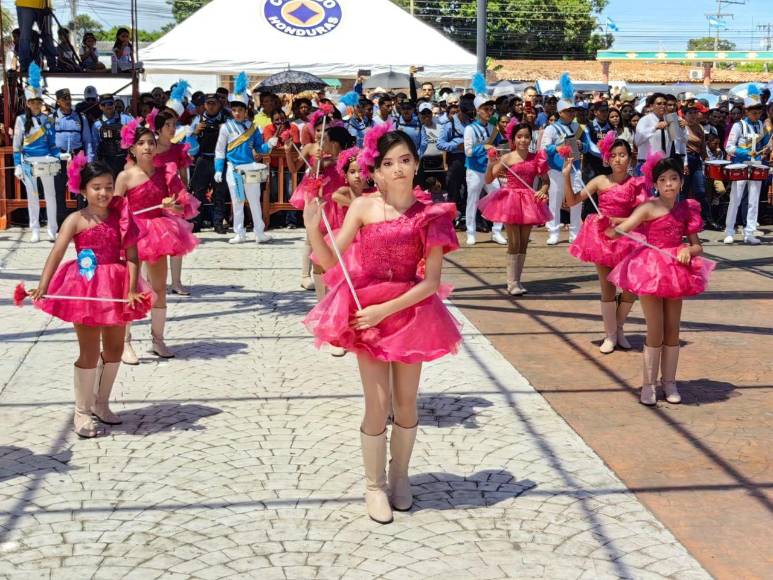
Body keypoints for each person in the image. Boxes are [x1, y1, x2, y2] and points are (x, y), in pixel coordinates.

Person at [303, 129, 461, 524]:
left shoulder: (431, 214)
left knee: (407, 403)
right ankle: (374, 486)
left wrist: (384, 310)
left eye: (405, 160)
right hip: (364, 310)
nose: (398, 169)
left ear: (415, 163)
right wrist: (311, 229)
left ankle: (400, 477)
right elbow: (330, 263)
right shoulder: (362, 208)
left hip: (411, 312)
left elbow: (430, 282)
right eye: (389, 163)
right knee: (377, 403)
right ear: (376, 170)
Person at [21, 156, 152, 437]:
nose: (103, 193)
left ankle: (101, 403)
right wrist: (43, 285)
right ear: (82, 191)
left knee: (115, 348)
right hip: (87, 288)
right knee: (89, 351)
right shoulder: (75, 220)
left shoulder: (122, 218)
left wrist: (131, 289)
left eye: (107, 186)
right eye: (96, 187)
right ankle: (81, 412)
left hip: (116, 287)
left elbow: (132, 255)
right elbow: (56, 253)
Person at [606, 156, 714, 406]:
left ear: (681, 181)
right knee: (655, 328)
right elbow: (623, 228)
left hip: (676, 270)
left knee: (672, 328)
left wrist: (688, 250)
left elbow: (698, 246)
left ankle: (670, 382)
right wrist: (609, 227)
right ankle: (648, 384)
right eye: (663, 180)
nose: (668, 184)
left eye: (673, 179)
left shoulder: (687, 208)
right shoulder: (648, 207)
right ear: (655, 184)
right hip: (650, 270)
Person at [115, 120, 198, 363]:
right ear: (132, 149)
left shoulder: (166, 173)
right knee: (129, 287)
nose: (147, 147)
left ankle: (157, 339)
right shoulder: (124, 177)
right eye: (141, 143)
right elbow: (115, 211)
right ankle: (125, 342)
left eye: (151, 142)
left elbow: (183, 205)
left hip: (158, 232)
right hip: (132, 234)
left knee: (159, 288)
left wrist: (173, 206)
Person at [563, 137, 648, 353]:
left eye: (622, 155)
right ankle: (611, 335)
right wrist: (566, 176)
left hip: (628, 237)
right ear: (607, 158)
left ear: (630, 158)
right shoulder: (600, 181)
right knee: (607, 287)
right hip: (602, 238)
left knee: (631, 289)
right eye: (613, 155)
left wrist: (618, 221)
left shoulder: (636, 183)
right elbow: (572, 201)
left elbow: (643, 215)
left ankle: (618, 327)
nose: (618, 160)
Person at [479, 121, 551, 295]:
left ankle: (517, 281)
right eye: (519, 137)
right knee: (515, 241)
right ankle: (511, 283)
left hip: (529, 201)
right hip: (510, 200)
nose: (523, 140)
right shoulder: (507, 158)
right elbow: (488, 180)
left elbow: (545, 181)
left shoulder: (537, 157)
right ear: (513, 139)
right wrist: (490, 163)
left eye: (527, 137)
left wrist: (542, 190)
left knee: (524, 243)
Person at [214, 73, 277, 244]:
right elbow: (220, 150)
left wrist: (269, 144)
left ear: (246, 110)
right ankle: (239, 232)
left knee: (254, 201)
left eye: (240, 110)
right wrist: (219, 169)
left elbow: (260, 148)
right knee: (237, 201)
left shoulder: (253, 127)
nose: (237, 113)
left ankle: (259, 232)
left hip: (250, 168)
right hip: (233, 169)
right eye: (234, 110)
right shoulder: (226, 128)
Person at [151, 109, 200, 296]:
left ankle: (176, 282)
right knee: (155, 241)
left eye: (174, 125)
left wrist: (183, 194)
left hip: (174, 198)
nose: (172, 129)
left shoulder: (178, 149)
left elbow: (183, 175)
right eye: (167, 125)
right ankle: (152, 281)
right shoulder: (151, 148)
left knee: (178, 239)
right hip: (154, 199)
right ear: (159, 128)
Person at [13, 64, 60, 242]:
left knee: (51, 195)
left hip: (46, 161)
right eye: (32, 102)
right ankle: (34, 230)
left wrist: (58, 155)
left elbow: (53, 143)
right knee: (33, 197)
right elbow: (17, 145)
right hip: (28, 163)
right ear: (27, 103)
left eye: (39, 102)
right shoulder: (20, 120)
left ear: (42, 103)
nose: (36, 105)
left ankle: (52, 229)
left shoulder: (48, 119)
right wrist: (17, 164)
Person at [539, 74, 583, 245]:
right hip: (557, 168)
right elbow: (543, 148)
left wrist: (581, 146)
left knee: (576, 199)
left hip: (575, 167)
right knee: (555, 199)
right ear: (560, 112)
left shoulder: (577, 127)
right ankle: (554, 231)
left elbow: (586, 146)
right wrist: (557, 148)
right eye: (568, 111)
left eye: (573, 110)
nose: (571, 113)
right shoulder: (551, 128)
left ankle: (575, 232)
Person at [723, 90, 768, 245]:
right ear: (746, 112)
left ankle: (749, 233)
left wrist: (765, 149)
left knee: (753, 201)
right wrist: (747, 152)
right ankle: (729, 230)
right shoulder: (738, 126)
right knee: (735, 199)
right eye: (754, 112)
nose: (757, 115)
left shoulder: (761, 125)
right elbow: (729, 147)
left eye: (759, 112)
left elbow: (763, 144)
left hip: (756, 165)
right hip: (740, 165)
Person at [464, 94, 506, 246]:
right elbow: (468, 151)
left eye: (491, 109)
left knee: (498, 197)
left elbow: (499, 146)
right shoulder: (470, 129)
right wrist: (483, 147)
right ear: (478, 110)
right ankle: (470, 232)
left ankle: (497, 231)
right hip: (475, 170)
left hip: (490, 169)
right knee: (472, 200)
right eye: (486, 109)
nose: (490, 112)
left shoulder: (493, 128)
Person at [189, 93, 230, 233]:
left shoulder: (226, 120)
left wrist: (223, 131)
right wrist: (194, 132)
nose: (211, 106)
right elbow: (189, 143)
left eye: (214, 103)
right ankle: (197, 222)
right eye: (209, 103)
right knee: (198, 193)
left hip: (219, 161)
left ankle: (218, 223)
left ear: (219, 105)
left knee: (219, 193)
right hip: (202, 160)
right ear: (204, 105)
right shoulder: (198, 120)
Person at [53, 88, 93, 219]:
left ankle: (81, 219)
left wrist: (90, 159)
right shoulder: (51, 118)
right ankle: (61, 222)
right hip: (59, 156)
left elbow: (87, 140)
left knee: (79, 189)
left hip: (77, 156)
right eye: (64, 99)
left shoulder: (81, 117)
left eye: (69, 98)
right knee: (59, 190)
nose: (68, 101)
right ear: (58, 101)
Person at [437, 97, 473, 222]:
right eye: (465, 113)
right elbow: (440, 144)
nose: (467, 116)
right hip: (455, 159)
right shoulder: (450, 124)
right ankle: (451, 219)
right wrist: (455, 146)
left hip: (470, 159)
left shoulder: (471, 122)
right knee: (453, 189)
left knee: (469, 188)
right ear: (460, 111)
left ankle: (465, 216)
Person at [92, 94, 133, 177]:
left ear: (114, 104)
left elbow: (139, 134)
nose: (108, 106)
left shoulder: (126, 119)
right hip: (106, 162)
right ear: (100, 106)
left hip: (124, 160)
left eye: (110, 103)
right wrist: (94, 164)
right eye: (104, 104)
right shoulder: (97, 124)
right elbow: (94, 145)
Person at [15, 0, 57, 73]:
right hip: (25, 3)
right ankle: (25, 66)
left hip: (44, 5)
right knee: (25, 37)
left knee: (47, 37)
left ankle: (52, 65)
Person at [416, 102, 444, 189]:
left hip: (439, 163)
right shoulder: (417, 128)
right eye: (423, 113)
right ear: (419, 114)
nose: (426, 115)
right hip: (423, 163)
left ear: (431, 113)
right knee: (424, 190)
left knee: (440, 189)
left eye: (428, 112)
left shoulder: (440, 127)